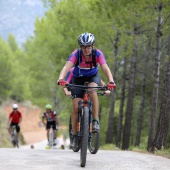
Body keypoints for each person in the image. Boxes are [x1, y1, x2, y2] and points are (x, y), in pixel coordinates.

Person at [58, 32, 116, 148]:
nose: (86, 49)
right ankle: (74, 136)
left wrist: (111, 81)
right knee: (75, 107)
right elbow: (66, 67)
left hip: (92, 77)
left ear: (93, 45)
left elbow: (105, 68)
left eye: (88, 46)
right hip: (77, 78)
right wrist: (61, 78)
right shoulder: (76, 54)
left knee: (92, 89)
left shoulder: (98, 54)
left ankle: (95, 121)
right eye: (83, 47)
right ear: (80, 47)